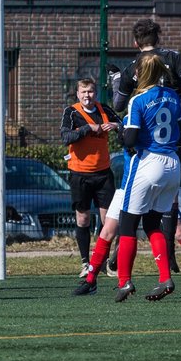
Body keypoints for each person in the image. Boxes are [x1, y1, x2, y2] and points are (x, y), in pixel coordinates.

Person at [110, 19, 181, 273]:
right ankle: (170, 257)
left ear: (135, 42)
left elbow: (118, 104)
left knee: (131, 208)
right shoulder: (173, 57)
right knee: (169, 199)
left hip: (142, 142)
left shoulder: (133, 67)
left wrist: (114, 79)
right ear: (159, 38)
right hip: (175, 138)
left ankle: (121, 259)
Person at [113, 52, 181, 302]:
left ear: (141, 74)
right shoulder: (174, 97)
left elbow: (131, 140)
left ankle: (124, 282)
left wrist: (121, 132)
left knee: (127, 224)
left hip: (149, 161)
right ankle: (165, 278)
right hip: (173, 164)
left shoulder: (138, 100)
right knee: (154, 224)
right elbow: (177, 126)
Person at [61, 78, 120, 279]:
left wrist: (116, 126)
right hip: (80, 174)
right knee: (83, 218)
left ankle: (103, 260)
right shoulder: (72, 112)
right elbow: (66, 137)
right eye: (84, 92)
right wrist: (88, 128)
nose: (88, 95)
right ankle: (86, 262)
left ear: (96, 93)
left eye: (91, 92)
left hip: (103, 173)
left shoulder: (104, 109)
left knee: (109, 220)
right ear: (78, 94)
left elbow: (123, 126)